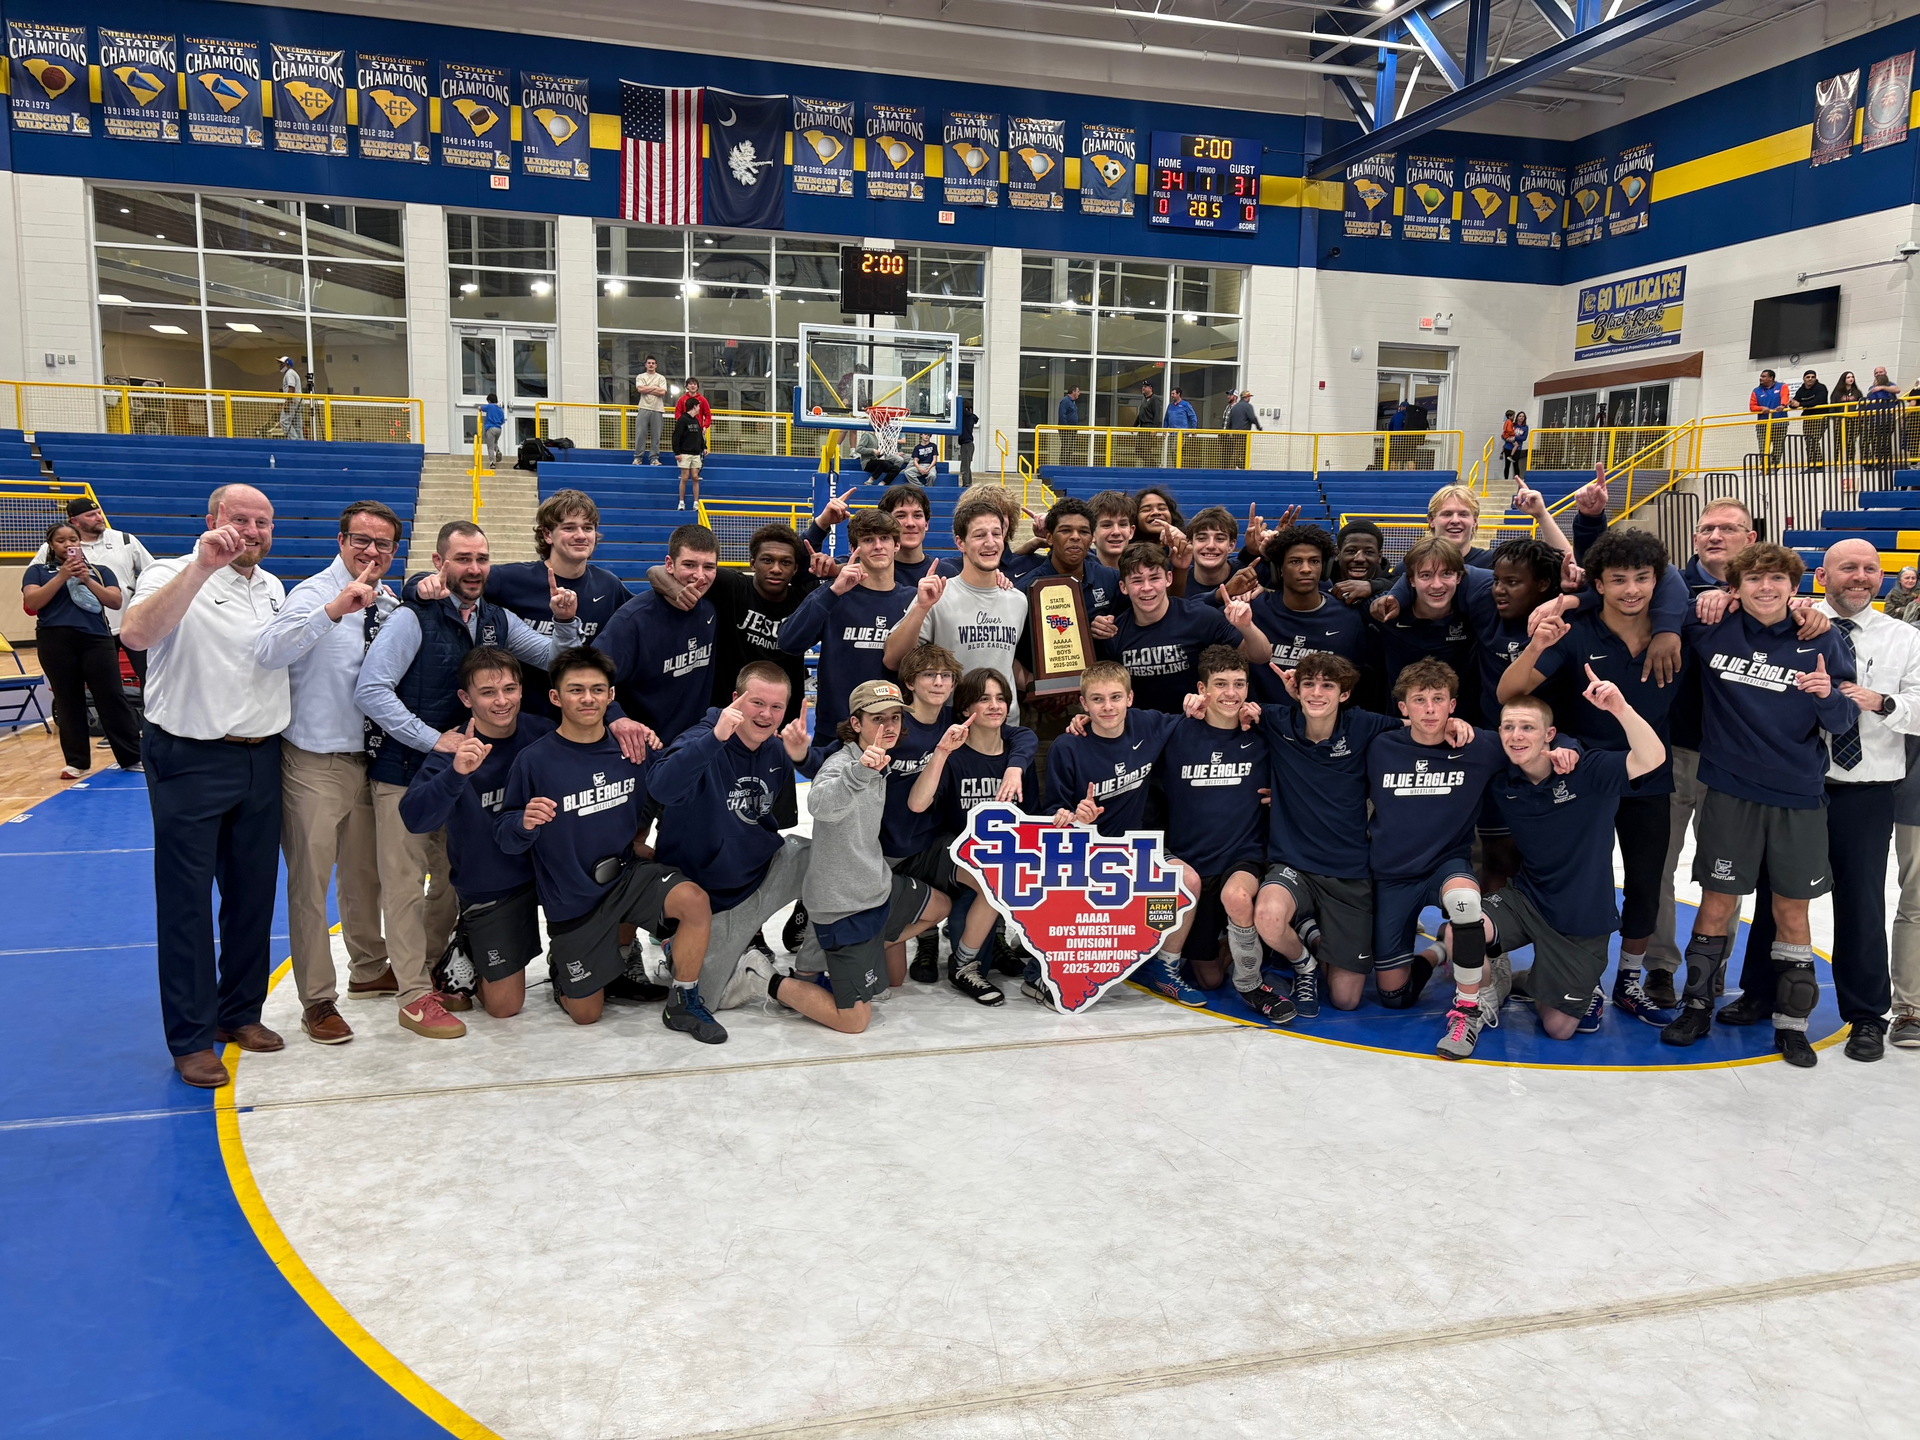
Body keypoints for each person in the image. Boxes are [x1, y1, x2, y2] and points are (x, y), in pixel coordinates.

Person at [356, 520, 594, 1042]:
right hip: (406, 769)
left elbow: (555, 659)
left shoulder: (495, 618)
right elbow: (371, 690)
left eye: (481, 559)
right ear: (439, 562)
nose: (474, 569)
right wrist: (433, 740)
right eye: (462, 558)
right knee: (405, 886)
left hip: (461, 771)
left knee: (447, 885)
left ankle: (433, 973)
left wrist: (565, 623)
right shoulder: (412, 616)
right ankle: (413, 996)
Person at [1714, 540, 1920, 1065]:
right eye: (1848, 568)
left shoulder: (1904, 637)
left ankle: (1866, 1014)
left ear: (1882, 578)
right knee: (1776, 894)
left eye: (1870, 569)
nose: (1861, 576)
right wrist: (1716, 596)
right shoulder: (1792, 621)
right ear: (1822, 577)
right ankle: (1761, 993)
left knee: (1861, 901)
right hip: (1793, 784)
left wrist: (1883, 701)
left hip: (1867, 787)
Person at [1662, 543, 1857, 1064]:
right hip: (1729, 790)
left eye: (1776, 579)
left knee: (1791, 910)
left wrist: (1827, 695)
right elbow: (1653, 602)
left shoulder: (1821, 636)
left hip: (1798, 794)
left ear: (1795, 587)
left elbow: (1843, 721)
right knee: (1717, 902)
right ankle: (1696, 1007)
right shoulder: (1711, 625)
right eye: (1753, 579)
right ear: (1735, 587)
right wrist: (1706, 599)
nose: (1765, 588)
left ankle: (1791, 1026)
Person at [120, 484, 287, 1089]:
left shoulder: (272, 587)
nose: (252, 531)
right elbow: (135, 635)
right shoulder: (170, 572)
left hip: (261, 755)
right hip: (190, 757)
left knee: (252, 896)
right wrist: (201, 567)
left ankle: (238, 1012)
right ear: (213, 519)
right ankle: (190, 1038)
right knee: (186, 902)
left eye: (263, 522)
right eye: (240, 518)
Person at [1498, 525, 1684, 1024]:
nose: (1631, 589)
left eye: (1642, 578)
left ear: (1656, 581)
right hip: (1581, 775)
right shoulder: (1576, 631)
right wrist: (1536, 647)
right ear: (1597, 584)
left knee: (1646, 881)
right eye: (1618, 579)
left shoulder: (1675, 632)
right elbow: (1508, 694)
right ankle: (1577, 976)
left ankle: (1629, 979)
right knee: (1581, 880)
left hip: (1647, 775)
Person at [498, 647, 723, 1040]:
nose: (588, 698)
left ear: (610, 695)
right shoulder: (534, 761)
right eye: (576, 690)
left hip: (623, 877)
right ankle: (566, 970)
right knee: (587, 1015)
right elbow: (505, 835)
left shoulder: (632, 750)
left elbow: (662, 792)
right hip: (573, 899)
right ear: (555, 697)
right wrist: (523, 822)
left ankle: (684, 1001)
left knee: (694, 900)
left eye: (597, 689)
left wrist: (641, 838)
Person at [1365, 659, 1571, 1060]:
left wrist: (1569, 751)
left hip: (1447, 865)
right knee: (1393, 996)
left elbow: (1533, 738)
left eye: (1438, 699)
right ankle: (1440, 951)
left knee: (1465, 902)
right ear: (1403, 707)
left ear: (1453, 705)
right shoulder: (1380, 746)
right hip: (1392, 873)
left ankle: (1467, 1010)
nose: (1429, 709)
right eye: (1419, 700)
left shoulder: (1478, 745)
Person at [254, 501, 404, 1044]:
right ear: (341, 541)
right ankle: (317, 999)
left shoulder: (390, 603)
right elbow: (269, 652)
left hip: (371, 759)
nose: (371, 551)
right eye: (361, 540)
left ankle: (369, 968)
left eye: (383, 543)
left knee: (366, 875)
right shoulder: (312, 594)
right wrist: (333, 611)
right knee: (310, 884)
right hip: (314, 761)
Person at [1252, 653, 1464, 1017]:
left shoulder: (1364, 725)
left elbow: (1417, 723)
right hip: (1293, 864)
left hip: (1348, 871)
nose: (1317, 693)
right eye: (1309, 685)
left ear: (1344, 694)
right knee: (1268, 917)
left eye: (1327, 686)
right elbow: (1228, 711)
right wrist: (1198, 702)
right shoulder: (1275, 719)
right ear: (1296, 690)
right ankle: (1304, 963)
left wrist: (1451, 722)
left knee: (1346, 999)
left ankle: (1312, 930)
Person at [1483, 683, 1667, 1039]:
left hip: (1583, 920)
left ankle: (1542, 981)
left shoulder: (1588, 770)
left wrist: (1620, 708)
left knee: (1560, 1029)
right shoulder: (1502, 780)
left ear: (1550, 734)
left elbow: (1652, 758)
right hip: (1528, 901)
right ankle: (1475, 1005)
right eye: (1509, 727)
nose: (1516, 736)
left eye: (1527, 727)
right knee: (1463, 929)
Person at [773, 679, 949, 1031]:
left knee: (939, 909)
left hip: (875, 888)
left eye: (895, 717)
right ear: (856, 723)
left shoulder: (881, 760)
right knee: (855, 1022)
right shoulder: (844, 764)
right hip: (843, 906)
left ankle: (852, 956)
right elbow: (820, 805)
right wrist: (860, 772)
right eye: (878, 719)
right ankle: (764, 978)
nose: (889, 726)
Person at [647, 661, 818, 1012]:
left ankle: (810, 968)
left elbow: (775, 817)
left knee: (830, 862)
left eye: (776, 706)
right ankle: (679, 946)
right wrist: (715, 739)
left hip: (759, 875)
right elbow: (661, 788)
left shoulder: (776, 750)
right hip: (710, 898)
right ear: (735, 699)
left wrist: (803, 757)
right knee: (708, 1000)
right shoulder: (702, 738)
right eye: (757, 703)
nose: (766, 714)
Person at [398, 648, 554, 1019]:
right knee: (504, 1006)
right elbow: (414, 818)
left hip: (550, 873)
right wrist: (456, 774)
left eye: (509, 689)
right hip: (492, 884)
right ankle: (466, 938)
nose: (501, 701)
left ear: (521, 690)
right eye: (487, 692)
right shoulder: (453, 748)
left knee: (583, 994)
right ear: (466, 698)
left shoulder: (544, 732)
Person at [1164, 647, 1290, 1018]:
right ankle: (1232, 944)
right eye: (1220, 684)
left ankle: (1251, 982)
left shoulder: (1263, 735)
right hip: (1193, 862)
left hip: (1242, 856)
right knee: (1210, 980)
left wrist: (1283, 795)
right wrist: (1080, 723)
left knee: (1237, 896)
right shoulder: (1176, 732)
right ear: (1202, 688)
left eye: (1239, 684)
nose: (1231, 693)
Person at [907, 668, 1036, 1005]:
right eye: (984, 699)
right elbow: (919, 806)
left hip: (998, 853)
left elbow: (1030, 815)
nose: (995, 706)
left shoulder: (1018, 750)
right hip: (951, 852)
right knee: (994, 876)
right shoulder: (954, 755)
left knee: (1015, 867)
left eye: (1001, 698)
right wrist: (941, 753)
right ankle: (962, 964)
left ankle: (999, 939)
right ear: (965, 708)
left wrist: (1015, 768)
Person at [486, 490, 631, 720]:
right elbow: (460, 581)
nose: (581, 535)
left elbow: (648, 612)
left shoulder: (608, 585)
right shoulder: (509, 580)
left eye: (588, 528)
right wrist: (424, 586)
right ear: (547, 534)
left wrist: (662, 578)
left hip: (583, 719)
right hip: (523, 720)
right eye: (569, 528)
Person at [883, 499, 1028, 720]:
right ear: (960, 543)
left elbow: (1004, 660)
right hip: (952, 725)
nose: (990, 542)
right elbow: (892, 660)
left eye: (996, 534)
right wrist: (921, 608)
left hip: (1003, 725)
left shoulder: (1018, 601)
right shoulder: (937, 596)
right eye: (980, 535)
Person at [21, 521, 142, 778]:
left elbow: (115, 600)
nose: (68, 545)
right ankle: (77, 762)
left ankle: (131, 756)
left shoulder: (100, 570)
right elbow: (33, 602)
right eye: (61, 541)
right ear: (51, 545)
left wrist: (86, 579)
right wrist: (62, 577)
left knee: (112, 697)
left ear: (80, 543)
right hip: (55, 641)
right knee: (68, 700)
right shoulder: (37, 571)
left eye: (73, 540)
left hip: (96, 639)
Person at [1093, 542, 1271, 716]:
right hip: (1146, 729)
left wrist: (1247, 627)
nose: (1147, 588)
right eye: (1137, 581)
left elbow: (1261, 656)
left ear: (1168, 578)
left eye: (1154, 578)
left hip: (1196, 722)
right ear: (1123, 587)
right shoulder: (1114, 632)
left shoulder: (1200, 617)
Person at [781, 508, 916, 732]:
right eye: (868, 540)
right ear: (853, 549)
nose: (878, 546)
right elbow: (789, 642)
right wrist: (832, 592)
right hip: (835, 731)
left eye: (884, 538)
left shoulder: (914, 600)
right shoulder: (833, 593)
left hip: (892, 731)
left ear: (897, 545)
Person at [593, 524, 720, 754]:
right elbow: (588, 676)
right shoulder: (632, 620)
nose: (700, 575)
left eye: (709, 567)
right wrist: (616, 717)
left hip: (693, 749)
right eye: (689, 565)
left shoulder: (711, 609)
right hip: (643, 750)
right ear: (669, 565)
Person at [30, 496, 157, 681]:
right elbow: (35, 579)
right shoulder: (52, 549)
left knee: (151, 677)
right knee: (105, 683)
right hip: (91, 629)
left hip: (130, 622)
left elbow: (152, 572)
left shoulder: (125, 539)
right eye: (91, 515)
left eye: (98, 512)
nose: (99, 517)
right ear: (74, 521)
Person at [1249, 524, 1368, 701]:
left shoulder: (1349, 617)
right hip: (1261, 716)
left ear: (1324, 569)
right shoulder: (1253, 610)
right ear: (1279, 569)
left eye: (1314, 561)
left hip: (1323, 716)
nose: (1306, 569)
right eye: (1295, 561)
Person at [808, 482, 939, 587]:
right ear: (885, 523)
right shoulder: (853, 565)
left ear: (926, 524)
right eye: (901, 515)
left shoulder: (945, 572)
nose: (910, 523)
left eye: (917, 515)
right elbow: (799, 575)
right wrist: (822, 523)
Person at [672, 378, 710, 510]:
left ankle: (695, 502)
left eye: (695, 384)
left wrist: (704, 447)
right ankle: (681, 502)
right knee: (685, 477)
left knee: (695, 476)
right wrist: (677, 452)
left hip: (695, 452)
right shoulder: (683, 418)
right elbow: (676, 437)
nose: (693, 386)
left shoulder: (697, 420)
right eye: (690, 384)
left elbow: (700, 436)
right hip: (685, 452)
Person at [632, 354, 669, 465]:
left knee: (656, 435)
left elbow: (662, 392)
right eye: (649, 363)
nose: (651, 365)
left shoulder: (661, 378)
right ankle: (638, 458)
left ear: (656, 365)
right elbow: (640, 389)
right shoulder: (640, 376)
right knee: (640, 434)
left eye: (653, 363)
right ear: (645, 365)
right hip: (643, 407)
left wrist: (647, 388)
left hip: (657, 409)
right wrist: (655, 387)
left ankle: (654, 458)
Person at [1087, 490, 1137, 570]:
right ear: (1092, 533)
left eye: (1122, 525)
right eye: (1107, 525)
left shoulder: (1147, 573)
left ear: (1131, 532)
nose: (1116, 532)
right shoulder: (1078, 572)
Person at [1750, 368, 1788, 469]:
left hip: (1780, 422)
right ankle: (1764, 467)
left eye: (1763, 376)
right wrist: (1761, 408)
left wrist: (1782, 405)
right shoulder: (1756, 391)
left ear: (1771, 378)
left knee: (1778, 447)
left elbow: (1785, 397)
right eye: (1761, 376)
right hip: (1763, 424)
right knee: (1763, 448)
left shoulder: (1782, 386)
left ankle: (1774, 466)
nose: (1760, 378)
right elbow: (1752, 407)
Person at [1792, 369, 1829, 469]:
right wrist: (1792, 403)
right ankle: (1812, 465)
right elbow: (1796, 401)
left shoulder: (1821, 388)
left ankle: (1818, 465)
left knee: (1813, 440)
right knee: (1808, 441)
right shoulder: (1801, 390)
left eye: (1813, 377)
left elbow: (1818, 401)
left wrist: (1800, 404)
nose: (1810, 379)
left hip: (1820, 417)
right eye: (1808, 377)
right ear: (1804, 379)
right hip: (1808, 418)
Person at [1830, 370, 1865, 466]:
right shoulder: (1837, 393)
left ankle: (1850, 461)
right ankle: (1838, 461)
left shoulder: (1857, 392)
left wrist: (1859, 416)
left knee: (1851, 441)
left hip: (1853, 420)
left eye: (1852, 377)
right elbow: (1832, 407)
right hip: (1840, 420)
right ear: (1844, 379)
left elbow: (1862, 405)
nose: (1851, 379)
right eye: (1848, 377)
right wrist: (1835, 418)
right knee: (1838, 442)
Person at [275, 356, 304, 439]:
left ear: (287, 364)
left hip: (293, 402)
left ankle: (294, 440)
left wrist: (287, 403)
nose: (280, 366)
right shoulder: (292, 373)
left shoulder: (289, 374)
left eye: (282, 364)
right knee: (297, 426)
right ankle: (301, 443)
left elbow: (291, 388)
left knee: (284, 422)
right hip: (298, 402)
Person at [478, 392, 506, 469]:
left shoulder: (490, 406)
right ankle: (497, 451)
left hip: (490, 428)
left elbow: (480, 408)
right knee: (494, 443)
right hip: (498, 429)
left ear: (489, 401)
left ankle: (492, 463)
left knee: (490, 446)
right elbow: (502, 421)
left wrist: (479, 408)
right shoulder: (500, 410)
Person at [957, 396, 979, 484]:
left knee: (965, 466)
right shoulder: (972, 417)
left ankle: (966, 484)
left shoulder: (966, 417)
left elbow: (963, 411)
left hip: (966, 444)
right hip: (969, 444)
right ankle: (968, 483)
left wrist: (957, 403)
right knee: (967, 465)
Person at [1500, 410, 1519, 481]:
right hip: (1508, 436)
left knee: (1506, 444)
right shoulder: (1509, 422)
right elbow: (1509, 430)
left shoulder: (1506, 422)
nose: (1514, 417)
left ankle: (1502, 451)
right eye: (1513, 416)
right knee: (1516, 445)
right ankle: (1511, 456)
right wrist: (1513, 434)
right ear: (1509, 416)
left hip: (1505, 436)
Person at [1509, 411, 1529, 475]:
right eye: (1520, 416)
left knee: (1515, 463)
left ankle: (1517, 477)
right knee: (1507, 464)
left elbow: (1524, 438)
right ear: (1517, 417)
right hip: (1509, 445)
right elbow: (1507, 432)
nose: (1521, 417)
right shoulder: (1513, 425)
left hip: (1518, 447)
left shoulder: (1525, 427)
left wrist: (1515, 438)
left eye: (1523, 416)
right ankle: (1506, 478)